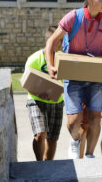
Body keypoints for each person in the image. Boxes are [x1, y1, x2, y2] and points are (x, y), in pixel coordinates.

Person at [45, 0, 102, 159]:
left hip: (95, 75)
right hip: (73, 74)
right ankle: (75, 140)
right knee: (73, 121)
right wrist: (50, 65)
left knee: (96, 117)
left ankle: (89, 155)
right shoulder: (73, 17)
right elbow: (51, 42)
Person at [24, 26, 64, 161]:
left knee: (52, 139)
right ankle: (39, 164)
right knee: (40, 134)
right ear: (50, 41)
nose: (63, 43)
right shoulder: (34, 59)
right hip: (36, 100)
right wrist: (39, 93)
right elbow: (26, 83)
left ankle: (48, 167)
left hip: (56, 102)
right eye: (60, 40)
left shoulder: (63, 59)